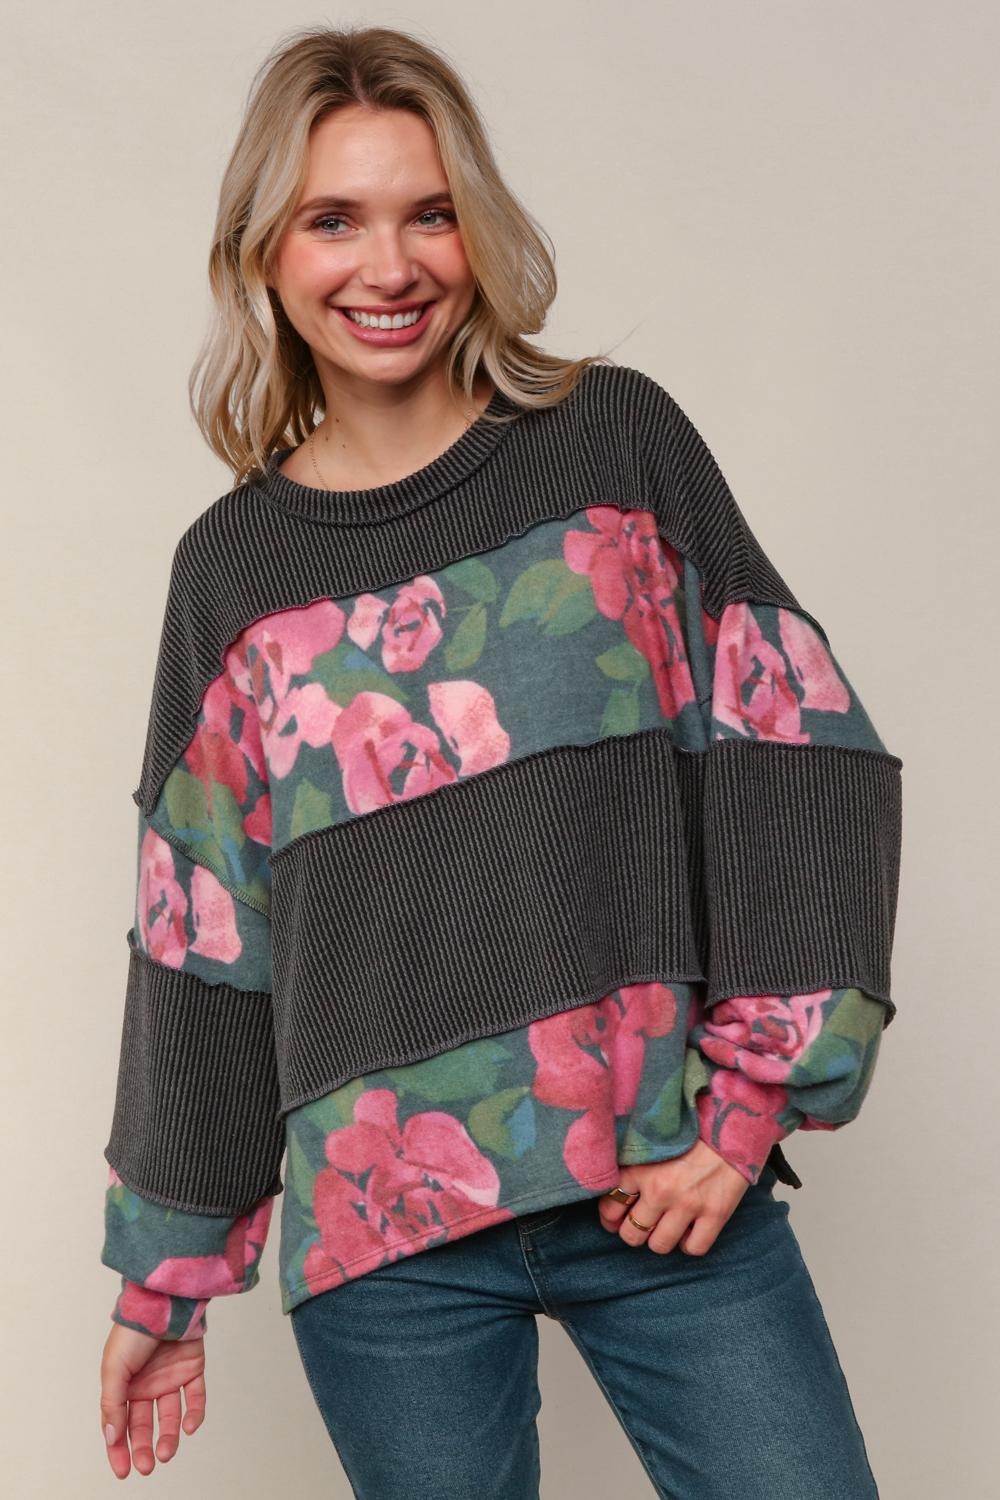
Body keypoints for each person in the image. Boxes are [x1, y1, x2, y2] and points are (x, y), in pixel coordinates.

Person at [98, 23, 903, 1498]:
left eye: (430, 212)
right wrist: (167, 1281)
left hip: (657, 1183)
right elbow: (202, 927)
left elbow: (795, 750)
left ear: (479, 225)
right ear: (264, 253)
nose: (388, 265)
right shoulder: (230, 575)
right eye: (333, 220)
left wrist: (745, 1112)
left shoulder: (611, 445)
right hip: (385, 1254)